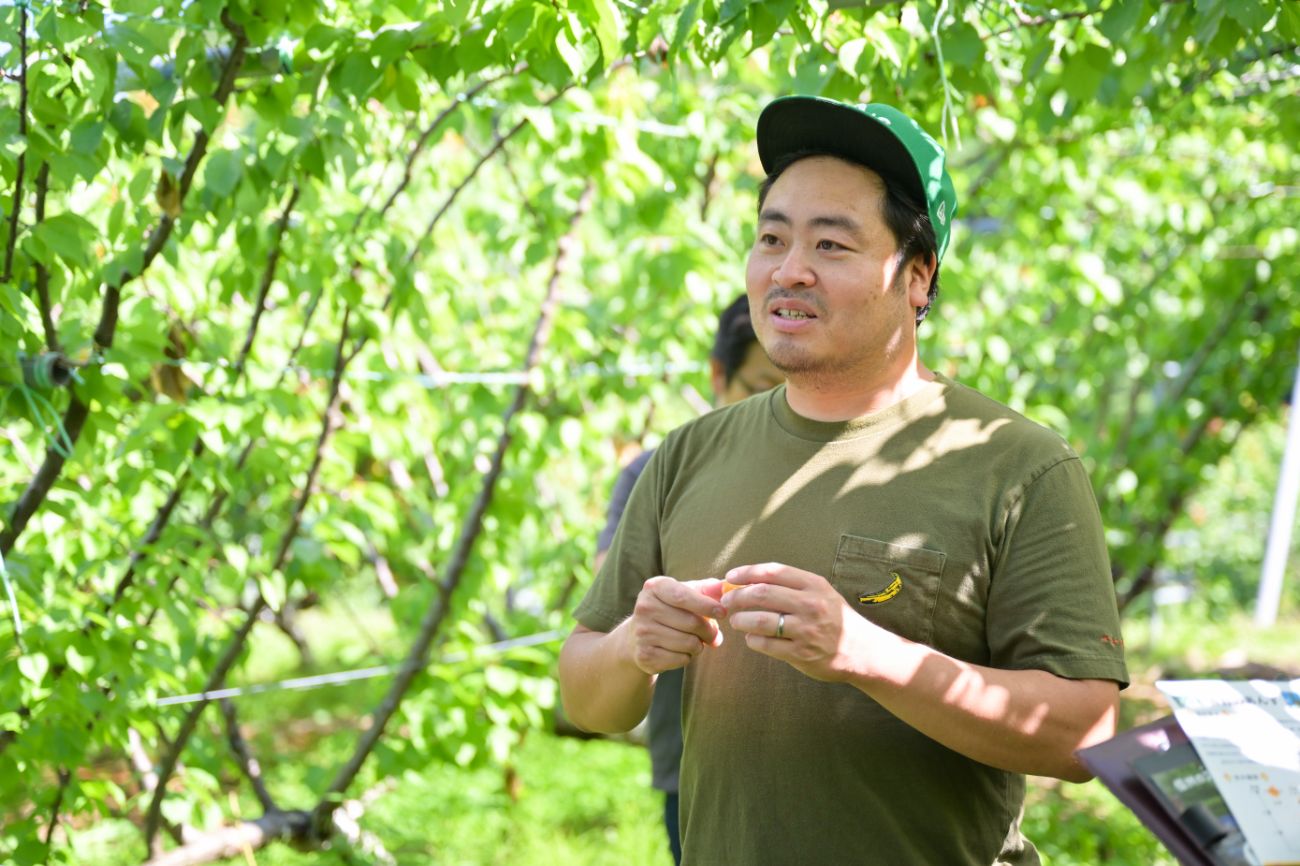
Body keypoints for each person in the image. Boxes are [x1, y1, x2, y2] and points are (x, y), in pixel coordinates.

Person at [559, 95, 1130, 866]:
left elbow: (1087, 738)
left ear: (918, 277)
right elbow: (584, 694)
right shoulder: (689, 453)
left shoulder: (1016, 465)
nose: (789, 271)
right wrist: (633, 645)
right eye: (772, 238)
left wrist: (867, 655)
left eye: (832, 245)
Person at [594, 295, 782, 865]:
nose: (776, 405)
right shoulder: (661, 471)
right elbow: (613, 602)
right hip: (695, 762)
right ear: (718, 376)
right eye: (759, 386)